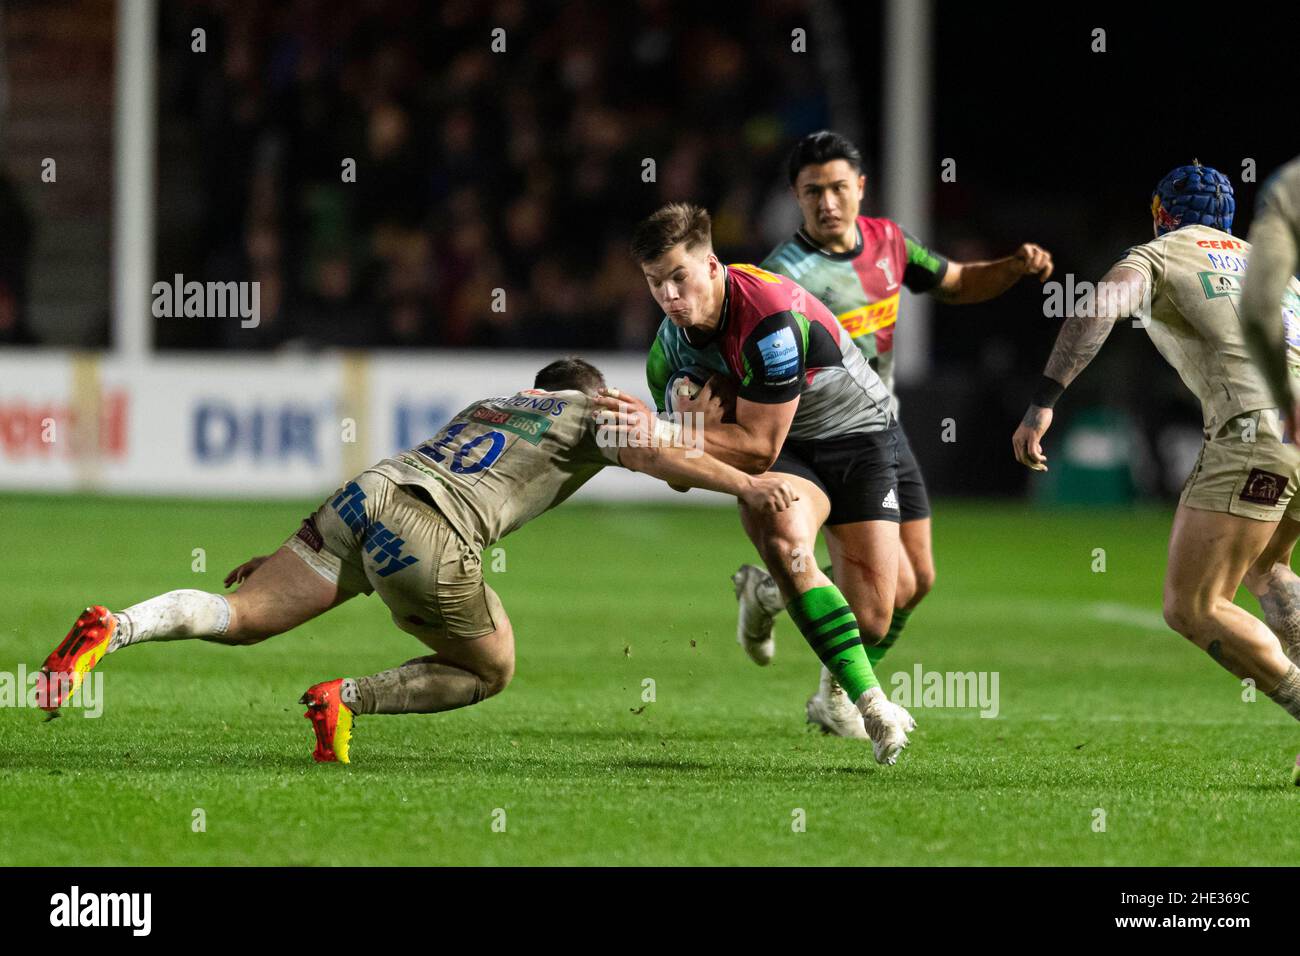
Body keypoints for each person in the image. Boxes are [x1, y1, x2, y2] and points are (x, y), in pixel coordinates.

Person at [35, 358, 797, 764]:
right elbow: (661, 454)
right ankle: (348, 698)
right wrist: (746, 479)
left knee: (236, 617)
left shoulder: (490, 407)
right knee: (491, 668)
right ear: (593, 394)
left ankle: (117, 626)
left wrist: (287, 552)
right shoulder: (590, 411)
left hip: (363, 498)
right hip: (430, 533)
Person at [733, 130, 1055, 737]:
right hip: (813, 439)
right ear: (795, 199)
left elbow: (956, 281)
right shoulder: (780, 275)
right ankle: (840, 689)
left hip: (883, 425)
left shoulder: (889, 243)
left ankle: (785, 617)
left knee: (919, 580)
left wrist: (1011, 269)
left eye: (836, 188)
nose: (827, 203)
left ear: (860, 187)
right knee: (877, 601)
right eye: (812, 193)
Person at [1011, 162, 1300, 755]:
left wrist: (1044, 401)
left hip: (1257, 433)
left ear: (1161, 213)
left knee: (1193, 606)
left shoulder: (1161, 253)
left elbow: (1097, 309)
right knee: (1267, 569)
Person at [614, 202, 917, 764]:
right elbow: (686, 478)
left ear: (711, 265)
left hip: (857, 436)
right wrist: (675, 438)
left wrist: (670, 431)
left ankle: (768, 592)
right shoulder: (667, 355)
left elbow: (755, 446)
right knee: (781, 530)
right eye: (656, 283)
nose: (669, 296)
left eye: (679, 276)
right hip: (788, 450)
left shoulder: (766, 317)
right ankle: (871, 704)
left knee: (873, 615)